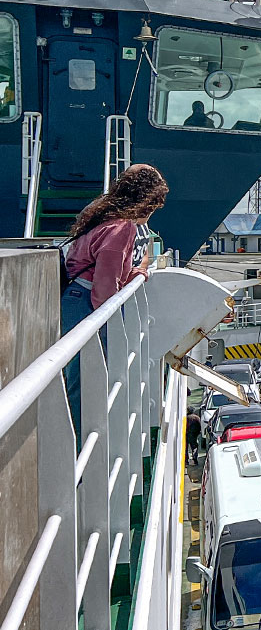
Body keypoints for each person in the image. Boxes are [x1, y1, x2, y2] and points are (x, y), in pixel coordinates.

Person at [61, 164, 168, 434]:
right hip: (88, 302)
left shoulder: (101, 215)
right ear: (145, 202)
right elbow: (106, 287)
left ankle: (76, 441)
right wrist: (113, 321)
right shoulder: (123, 228)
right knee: (87, 380)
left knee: (78, 378)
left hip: (74, 296)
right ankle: (81, 447)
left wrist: (135, 272)